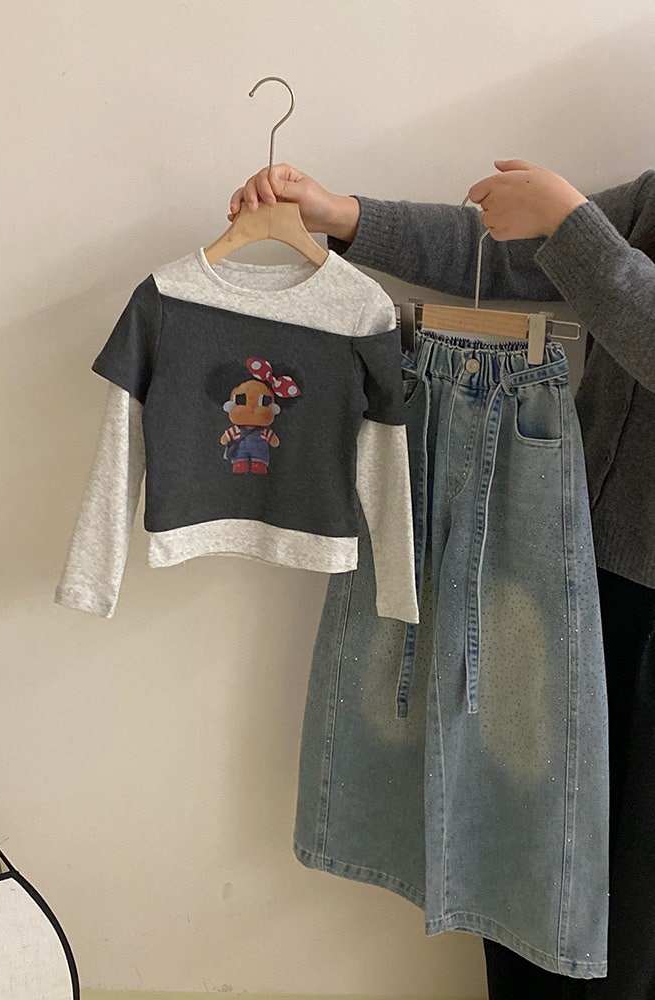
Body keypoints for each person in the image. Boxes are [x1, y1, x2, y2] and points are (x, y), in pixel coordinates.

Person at [228, 160, 655, 1000]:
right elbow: (503, 251)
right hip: (565, 567)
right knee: (516, 854)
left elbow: (576, 250)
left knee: (627, 907)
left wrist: (571, 222)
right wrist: (342, 214)